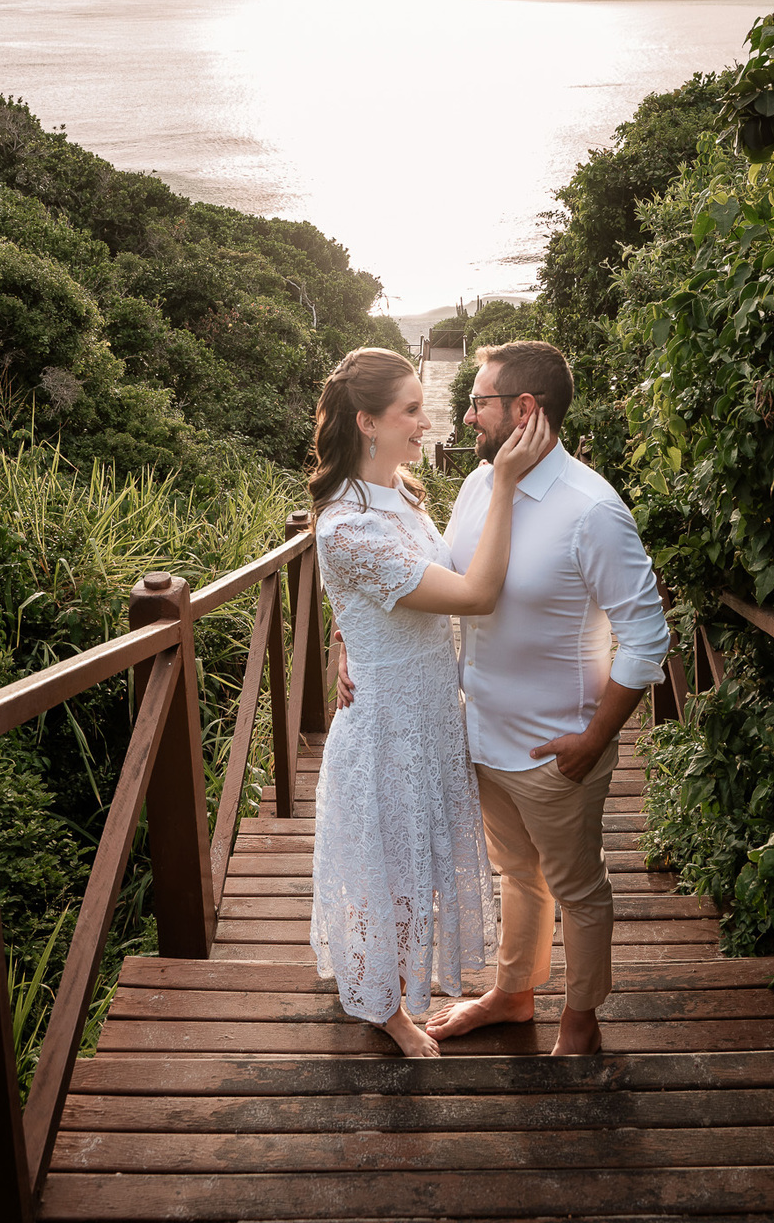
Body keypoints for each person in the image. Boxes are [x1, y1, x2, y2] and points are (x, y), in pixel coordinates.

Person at [339, 340, 670, 1056]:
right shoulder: (483, 485)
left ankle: (579, 1020)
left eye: (480, 400)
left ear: (525, 409)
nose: (464, 414)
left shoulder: (593, 509)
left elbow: (647, 638)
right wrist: (350, 642)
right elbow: (421, 579)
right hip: (477, 734)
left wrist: (595, 737)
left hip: (558, 744)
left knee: (579, 890)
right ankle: (515, 997)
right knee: (520, 876)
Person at [308, 347, 551, 1058]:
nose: (427, 421)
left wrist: (344, 636)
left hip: (428, 713)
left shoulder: (403, 492)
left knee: (409, 863)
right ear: (367, 422)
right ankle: (386, 1010)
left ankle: (386, 987)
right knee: (389, 868)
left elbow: (389, 592)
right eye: (411, 410)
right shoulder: (348, 524)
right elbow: (471, 594)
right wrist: (503, 482)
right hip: (388, 727)